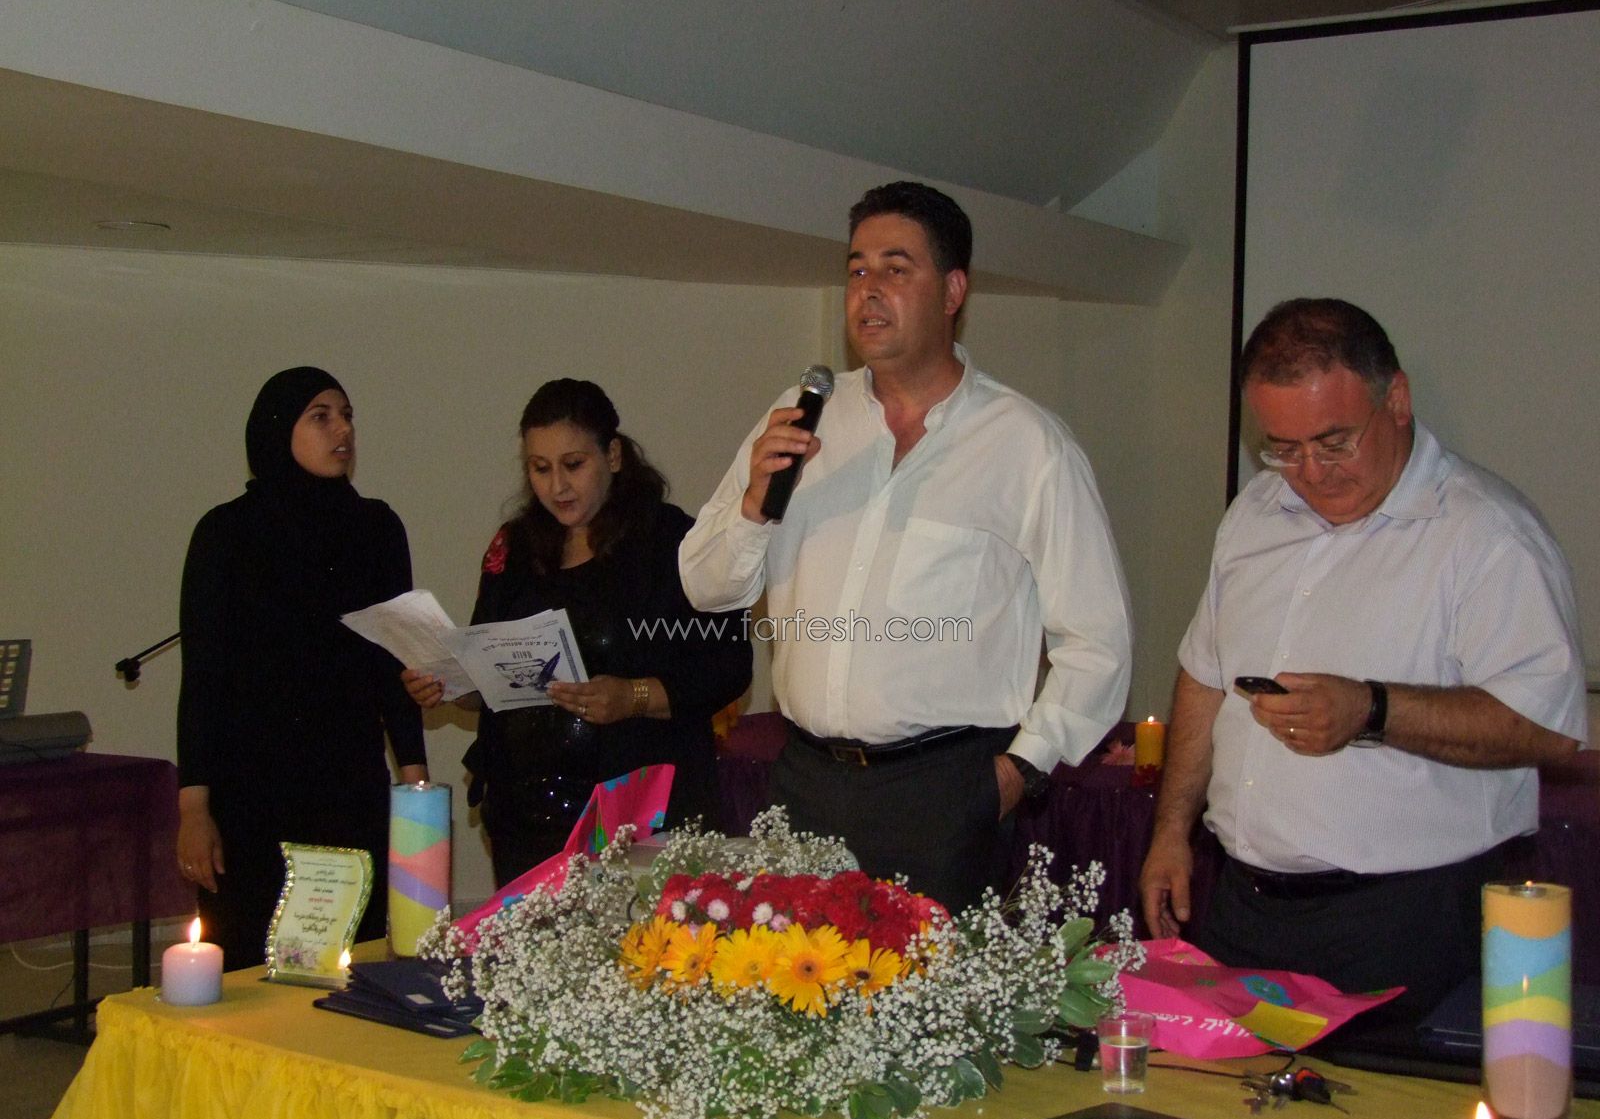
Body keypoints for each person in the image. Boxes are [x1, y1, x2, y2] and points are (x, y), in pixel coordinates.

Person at [679, 181, 1133, 913]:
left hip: (945, 794)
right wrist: (756, 504)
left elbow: (1099, 641)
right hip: (804, 782)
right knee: (794, 983)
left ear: (953, 290)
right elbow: (705, 587)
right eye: (857, 269)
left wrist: (1019, 771)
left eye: (896, 269)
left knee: (933, 988)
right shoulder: (797, 421)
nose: (868, 290)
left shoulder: (1026, 445)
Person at [1138, 298, 1587, 1023]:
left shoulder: (1486, 533)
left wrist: (1373, 711)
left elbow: (1546, 725)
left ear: (1397, 400)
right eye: (1283, 448)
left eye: (1334, 442)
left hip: (1405, 917)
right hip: (1244, 907)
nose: (1311, 472)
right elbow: (1206, 675)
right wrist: (1171, 831)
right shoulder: (1256, 512)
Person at [404, 379, 751, 887]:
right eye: (539, 468)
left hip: (639, 816)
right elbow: (493, 670)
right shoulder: (515, 547)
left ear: (613, 455)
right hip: (523, 816)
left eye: (573, 464)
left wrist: (632, 697)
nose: (557, 487)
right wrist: (453, 683)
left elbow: (728, 667)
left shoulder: (673, 543)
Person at [176, 367, 428, 971]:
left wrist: (416, 793)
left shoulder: (376, 527)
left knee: (353, 965)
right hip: (250, 796)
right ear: (276, 430)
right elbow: (203, 678)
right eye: (321, 416)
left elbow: (392, 663)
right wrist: (193, 811)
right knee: (250, 969)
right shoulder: (224, 534)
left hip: (348, 787)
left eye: (347, 416)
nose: (343, 430)